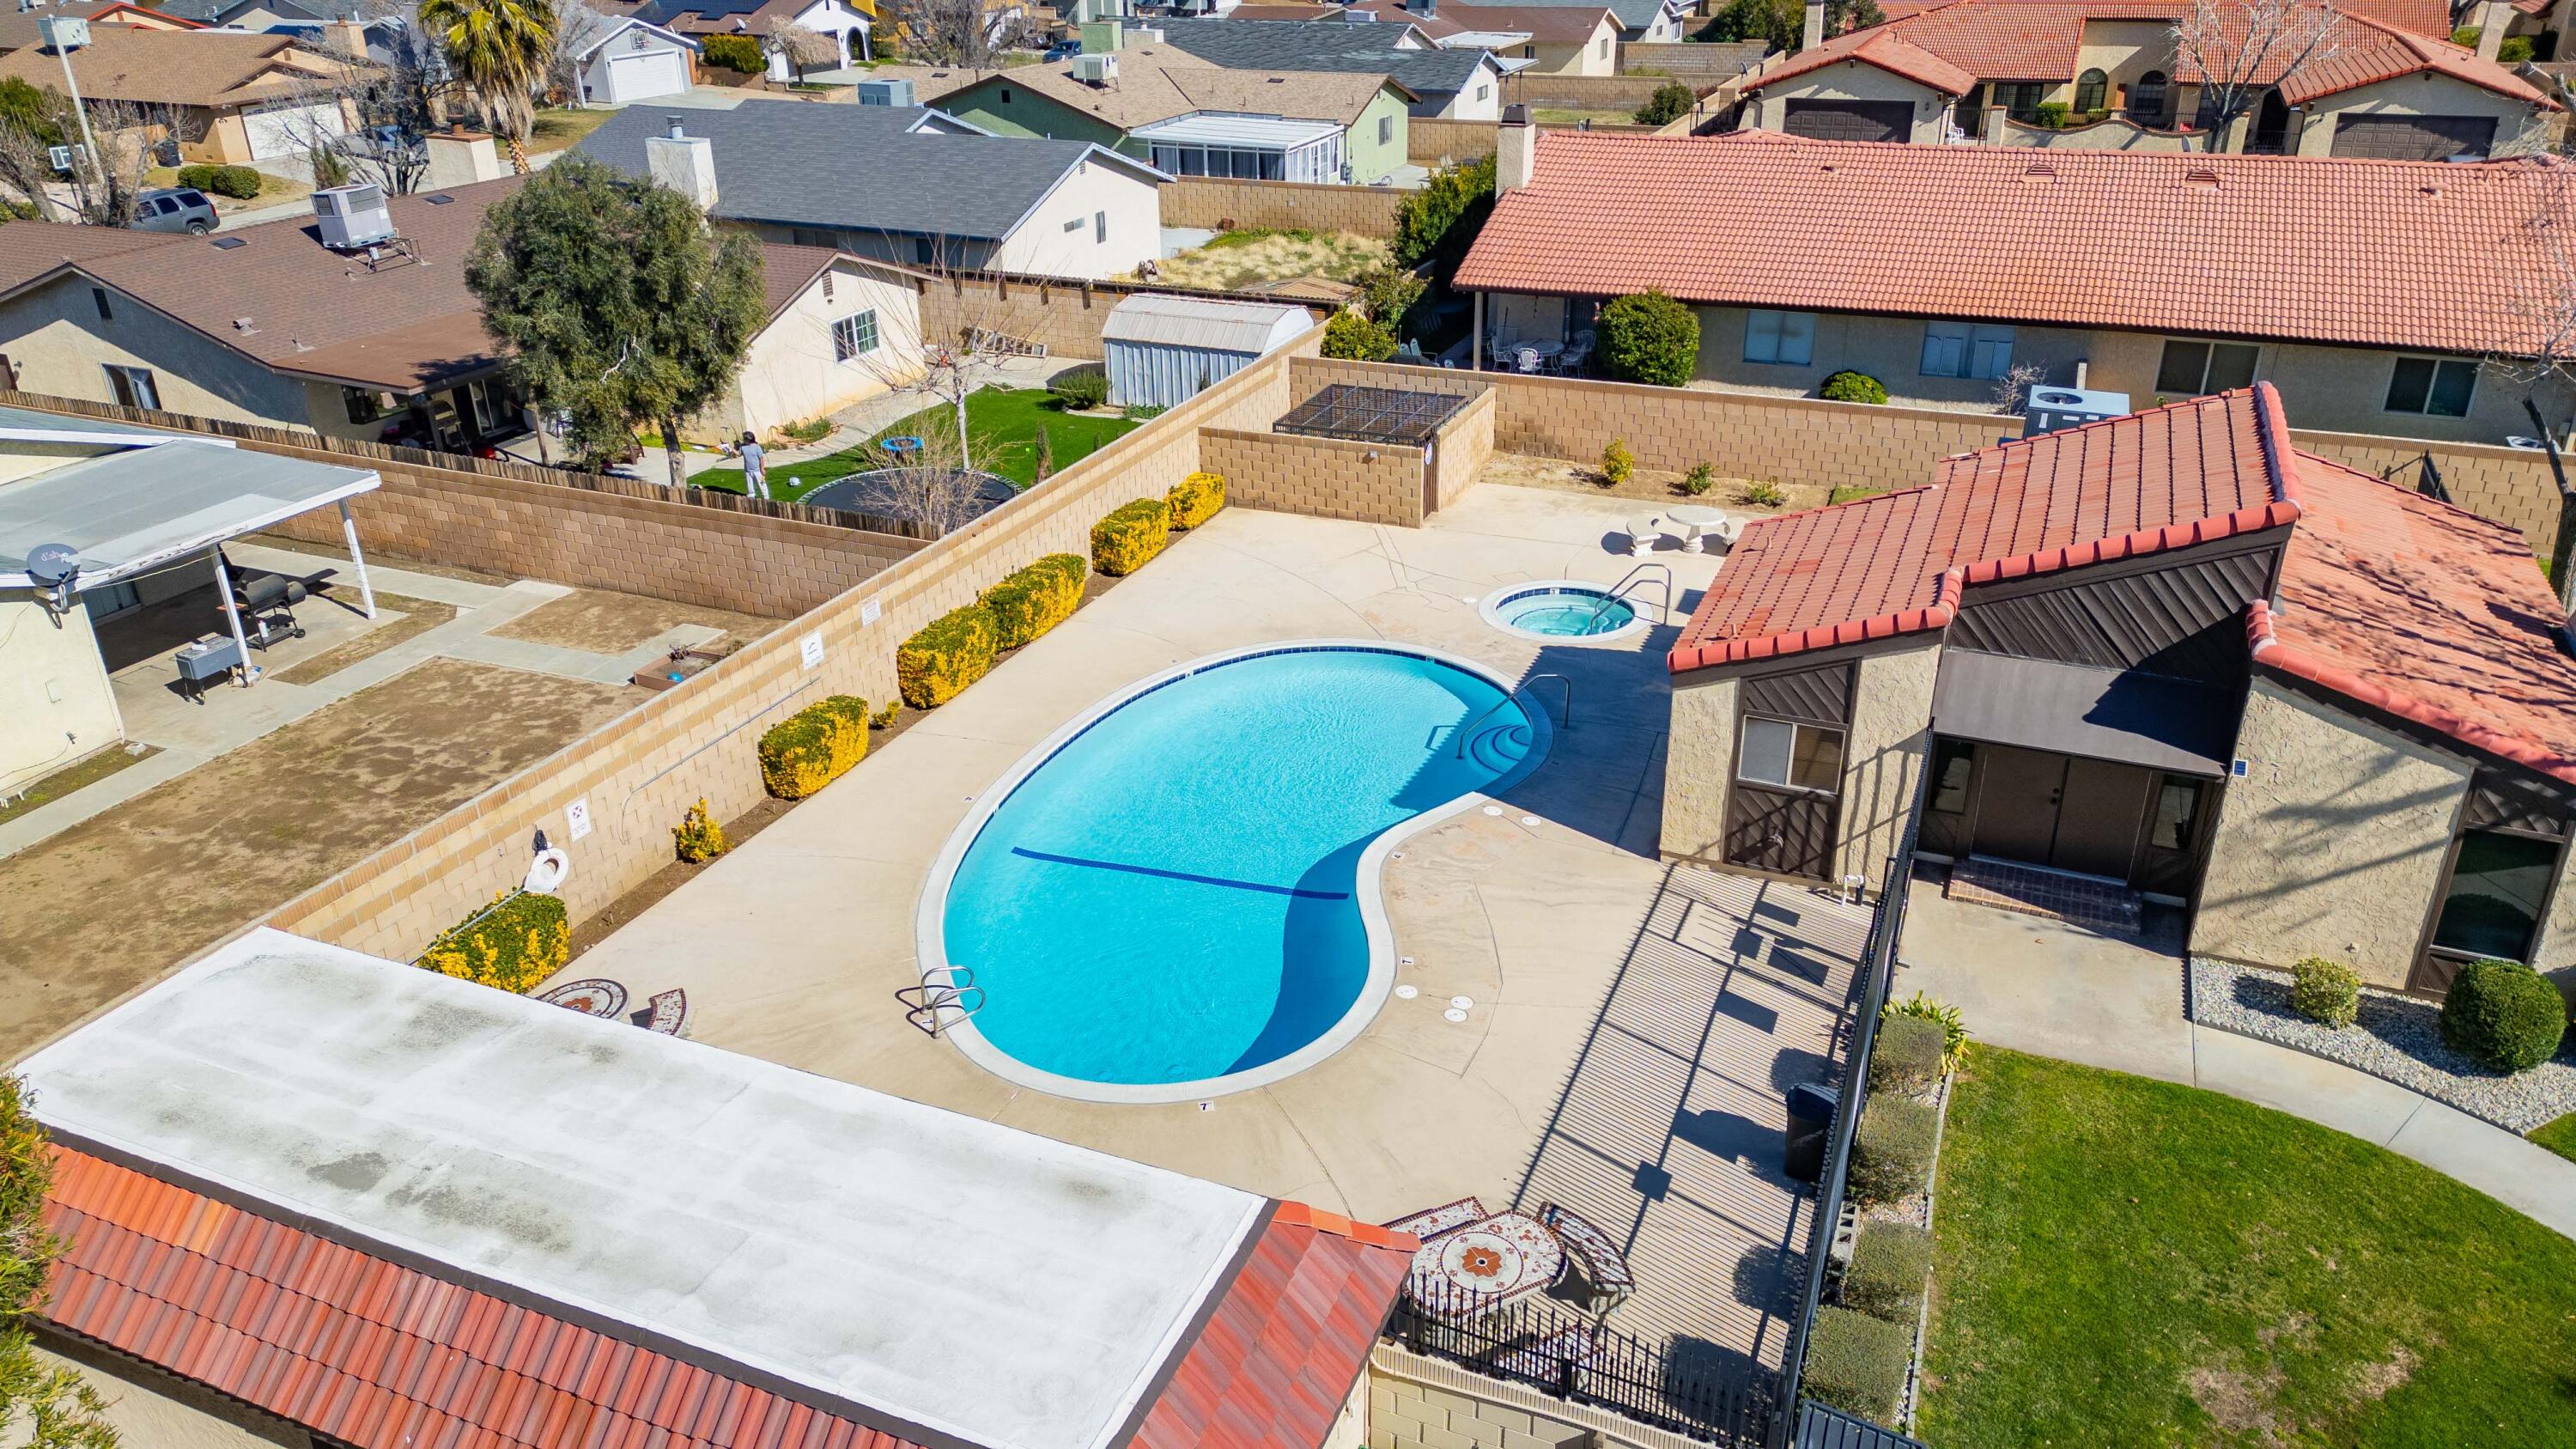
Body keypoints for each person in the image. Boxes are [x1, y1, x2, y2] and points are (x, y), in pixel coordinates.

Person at [722, 430, 769, 499]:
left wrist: (762, 469)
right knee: (749, 485)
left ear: (748, 439)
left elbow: (761, 458)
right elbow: (738, 454)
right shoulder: (742, 447)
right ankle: (751, 495)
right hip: (748, 471)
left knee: (762, 483)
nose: (743, 440)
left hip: (757, 471)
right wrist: (731, 449)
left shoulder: (757, 447)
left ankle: (765, 496)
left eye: (744, 439)